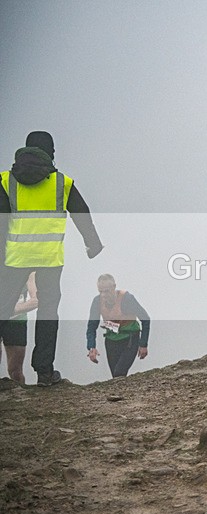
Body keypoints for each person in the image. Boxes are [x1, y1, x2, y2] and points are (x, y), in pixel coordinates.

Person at [0, 131, 104, 386]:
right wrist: (93, 244)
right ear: (51, 152)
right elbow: (82, 213)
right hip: (49, 260)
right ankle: (45, 373)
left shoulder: (5, 181)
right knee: (48, 313)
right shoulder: (62, 183)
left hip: (14, 258)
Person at [86, 274, 150, 378]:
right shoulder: (97, 301)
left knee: (119, 373)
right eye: (101, 291)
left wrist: (143, 344)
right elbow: (91, 327)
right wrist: (91, 347)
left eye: (106, 291)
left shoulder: (127, 299)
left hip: (130, 339)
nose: (104, 295)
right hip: (111, 341)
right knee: (115, 377)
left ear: (114, 287)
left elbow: (145, 319)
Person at [0, 273, 38, 384]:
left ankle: (21, 392)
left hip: (16, 322)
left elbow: (36, 300)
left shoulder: (28, 271)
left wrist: (9, 310)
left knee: (15, 371)